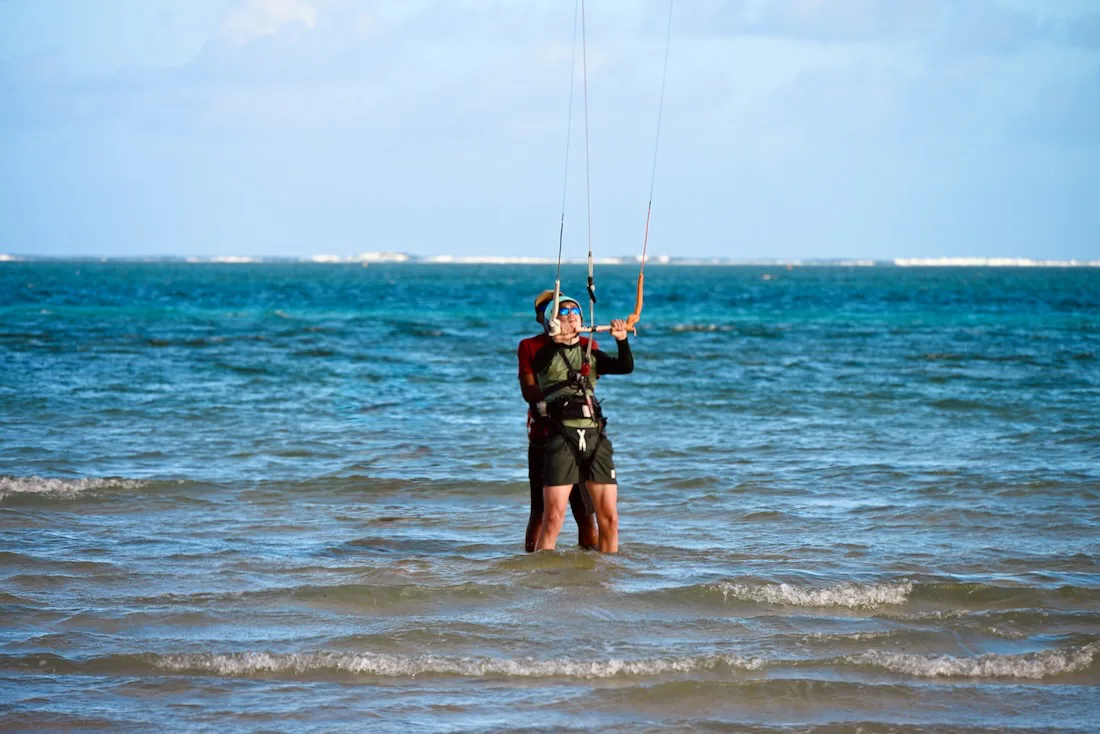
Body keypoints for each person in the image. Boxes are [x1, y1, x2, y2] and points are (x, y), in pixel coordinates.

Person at [530, 292, 633, 553]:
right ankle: (541, 575)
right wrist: (559, 336)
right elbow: (545, 357)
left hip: (595, 437)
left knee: (610, 518)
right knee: (553, 518)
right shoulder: (543, 355)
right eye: (564, 312)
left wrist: (621, 340)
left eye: (575, 312)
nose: (572, 316)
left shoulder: (591, 354)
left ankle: (608, 577)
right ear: (552, 321)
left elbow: (625, 366)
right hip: (562, 437)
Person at [518, 291, 598, 552]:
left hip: (582, 436)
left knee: (585, 511)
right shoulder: (530, 346)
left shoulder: (587, 344)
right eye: (554, 312)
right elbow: (529, 392)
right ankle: (533, 566)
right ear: (542, 317)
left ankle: (592, 569)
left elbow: (591, 385)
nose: (564, 317)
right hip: (545, 435)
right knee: (540, 510)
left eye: (569, 311)